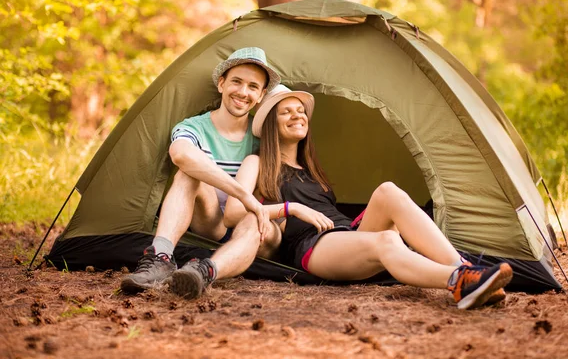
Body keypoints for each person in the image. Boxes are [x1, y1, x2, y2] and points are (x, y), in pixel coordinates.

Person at [224, 84, 513, 310]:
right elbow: (233, 213)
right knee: (388, 239)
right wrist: (291, 208)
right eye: (286, 112)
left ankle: (466, 269)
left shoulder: (310, 167)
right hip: (312, 246)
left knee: (388, 191)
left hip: (346, 234)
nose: (297, 115)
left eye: (300, 110)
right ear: (271, 124)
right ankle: (457, 282)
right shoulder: (257, 163)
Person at [121, 47, 283, 299]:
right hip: (211, 223)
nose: (243, 92)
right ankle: (160, 258)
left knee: (252, 221)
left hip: (248, 223)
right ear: (221, 84)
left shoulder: (263, 134)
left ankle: (203, 273)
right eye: (236, 82)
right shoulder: (194, 126)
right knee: (187, 173)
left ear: (261, 95)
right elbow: (181, 155)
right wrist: (242, 193)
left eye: (253, 86)